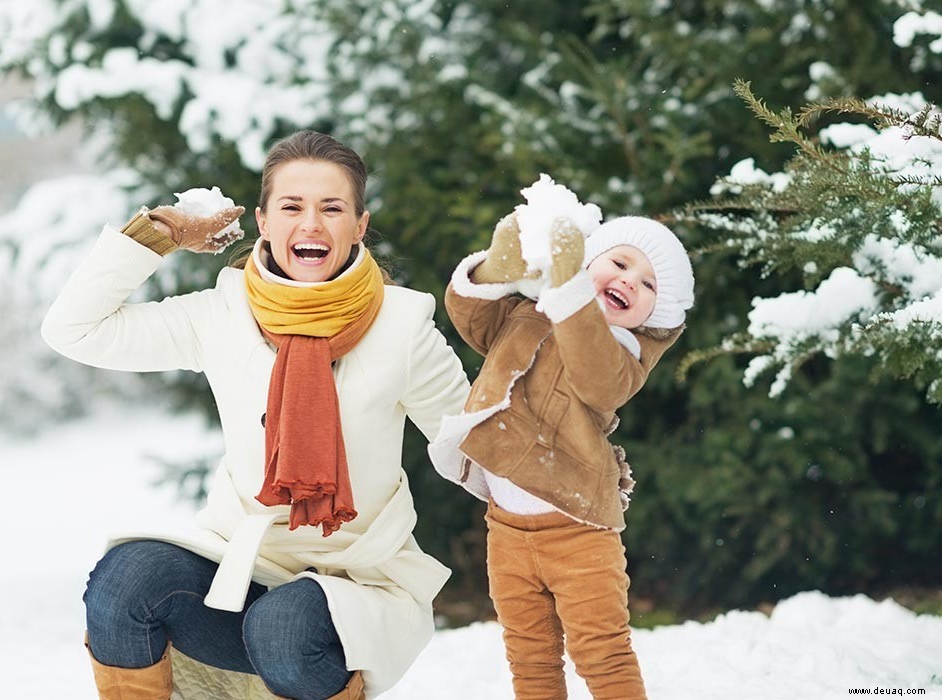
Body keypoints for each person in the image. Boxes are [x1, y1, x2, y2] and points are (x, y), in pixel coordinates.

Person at [40, 130, 470, 700]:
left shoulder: (402, 327)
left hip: (353, 585)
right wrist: (156, 237)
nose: (311, 224)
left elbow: (473, 447)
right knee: (125, 582)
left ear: (359, 226)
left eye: (332, 208)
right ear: (264, 221)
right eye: (291, 207)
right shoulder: (221, 313)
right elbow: (75, 330)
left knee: (284, 626)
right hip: (239, 568)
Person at [430, 212, 695, 699]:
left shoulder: (622, 356)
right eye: (619, 261)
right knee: (529, 656)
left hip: (579, 533)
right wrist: (496, 268)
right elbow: (471, 317)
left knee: (602, 653)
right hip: (506, 528)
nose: (628, 281)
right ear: (587, 259)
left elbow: (597, 378)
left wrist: (572, 287)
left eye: (649, 285)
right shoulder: (529, 311)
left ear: (655, 317)